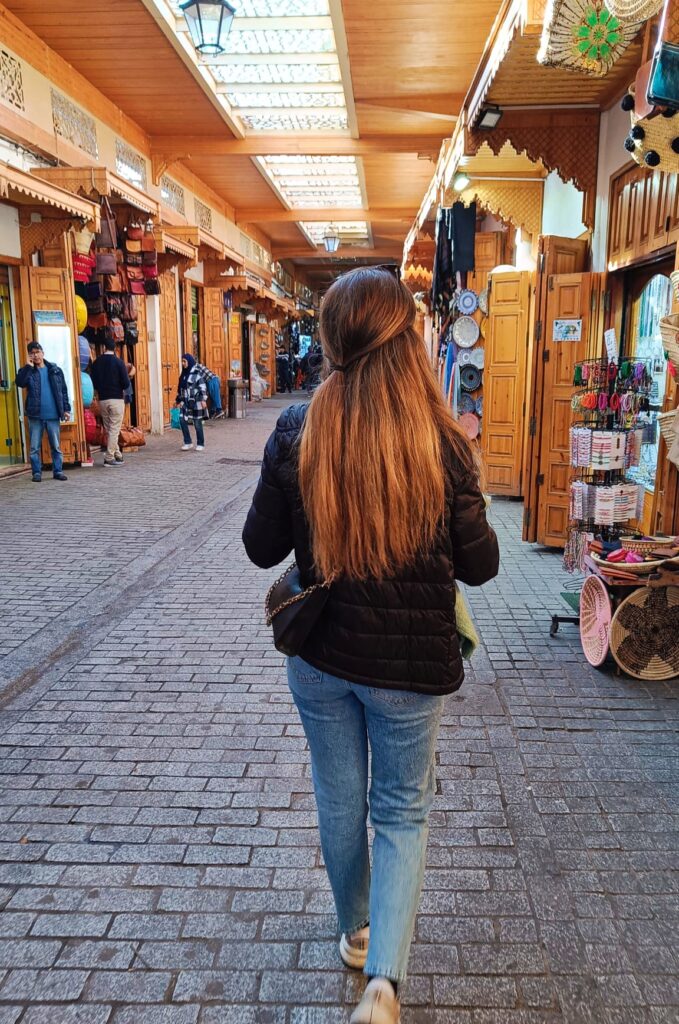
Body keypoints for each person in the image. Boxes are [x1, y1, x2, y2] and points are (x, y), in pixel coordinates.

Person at [243, 267, 499, 1024]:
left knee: (337, 797)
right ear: (410, 339)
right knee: (401, 811)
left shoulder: (296, 429)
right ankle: (384, 980)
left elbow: (261, 548)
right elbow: (480, 566)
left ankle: (353, 931)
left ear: (331, 339)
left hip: (320, 656)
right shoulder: (444, 442)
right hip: (410, 669)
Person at [16, 341, 70, 483]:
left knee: (56, 446)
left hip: (53, 415)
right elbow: (20, 382)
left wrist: (66, 409)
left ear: (43, 352)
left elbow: (63, 391)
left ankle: (58, 471)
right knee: (34, 447)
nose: (36, 355)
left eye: (37, 352)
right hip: (35, 415)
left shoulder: (54, 369)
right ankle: (36, 473)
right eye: (32, 353)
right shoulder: (28, 371)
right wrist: (28, 366)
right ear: (29, 356)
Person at [89, 339, 130, 467]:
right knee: (114, 430)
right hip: (116, 399)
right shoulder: (119, 363)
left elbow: (93, 382)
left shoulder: (96, 363)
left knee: (109, 429)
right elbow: (126, 383)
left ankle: (117, 454)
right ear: (115, 348)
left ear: (103, 347)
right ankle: (109, 457)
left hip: (102, 400)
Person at [176, 353, 208, 451]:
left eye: (184, 361)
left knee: (197, 422)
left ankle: (200, 443)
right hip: (185, 401)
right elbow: (180, 388)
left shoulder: (196, 373)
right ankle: (188, 442)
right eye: (182, 361)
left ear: (189, 361)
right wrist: (178, 400)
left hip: (196, 401)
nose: (183, 363)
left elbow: (202, 386)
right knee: (182, 420)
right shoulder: (183, 374)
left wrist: (202, 399)